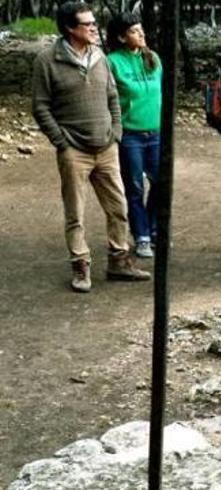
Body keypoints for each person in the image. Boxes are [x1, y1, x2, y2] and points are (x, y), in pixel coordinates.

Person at [32, 1, 150, 293]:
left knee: (119, 206)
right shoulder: (48, 60)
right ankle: (80, 264)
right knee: (76, 212)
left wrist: (117, 132)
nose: (95, 28)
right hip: (74, 150)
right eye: (88, 24)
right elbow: (40, 106)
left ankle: (119, 260)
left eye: (94, 23)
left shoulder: (100, 56)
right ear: (71, 28)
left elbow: (112, 96)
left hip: (106, 147)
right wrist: (60, 140)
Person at [106, 12, 162, 259]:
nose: (141, 34)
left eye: (141, 29)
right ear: (120, 37)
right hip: (130, 135)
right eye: (133, 31)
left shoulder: (154, 59)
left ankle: (151, 228)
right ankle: (141, 237)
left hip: (156, 133)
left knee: (160, 184)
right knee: (135, 187)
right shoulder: (112, 62)